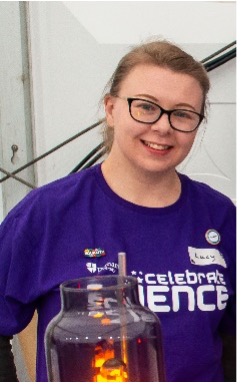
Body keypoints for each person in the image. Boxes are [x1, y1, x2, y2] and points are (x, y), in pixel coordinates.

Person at [0, 39, 236, 382]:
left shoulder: (220, 216)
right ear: (111, 109)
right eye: (146, 107)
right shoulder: (47, 214)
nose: (163, 126)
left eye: (182, 113)